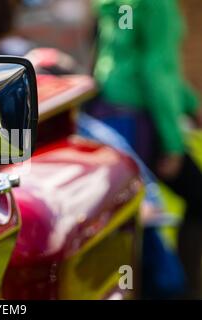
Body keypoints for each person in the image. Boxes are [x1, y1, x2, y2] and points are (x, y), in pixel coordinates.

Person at [89, 0, 202, 298]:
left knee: (129, 216)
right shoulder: (157, 4)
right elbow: (156, 71)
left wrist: (191, 105)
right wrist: (173, 144)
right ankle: (183, 287)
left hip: (111, 116)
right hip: (140, 118)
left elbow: (137, 64)